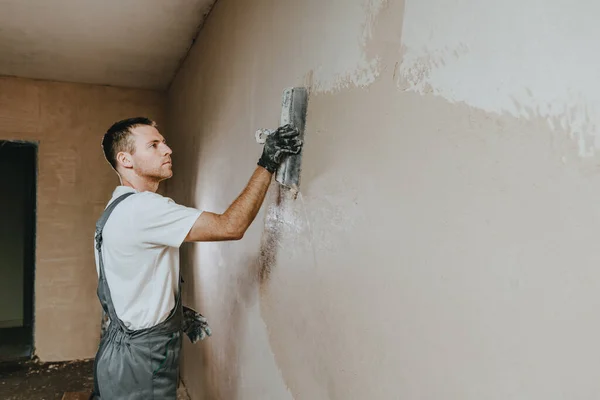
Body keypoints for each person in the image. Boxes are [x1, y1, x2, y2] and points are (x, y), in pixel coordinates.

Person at [91, 117, 302, 399]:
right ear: (126, 160)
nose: (167, 149)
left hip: (115, 351)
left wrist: (173, 313)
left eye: (163, 142)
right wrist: (267, 163)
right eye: (154, 145)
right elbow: (231, 226)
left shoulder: (115, 209)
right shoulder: (144, 208)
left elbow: (128, 280)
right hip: (141, 360)